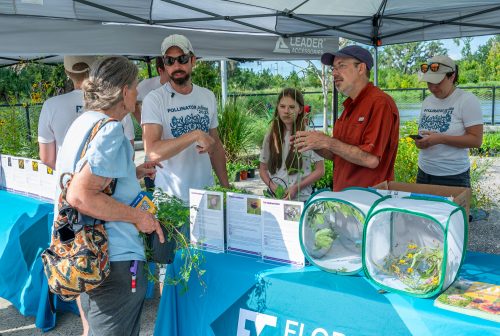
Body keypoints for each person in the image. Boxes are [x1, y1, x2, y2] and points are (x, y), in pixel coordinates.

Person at [55, 56, 164, 336]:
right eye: (136, 87)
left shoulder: (83, 123)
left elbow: (85, 180)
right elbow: (81, 195)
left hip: (88, 255)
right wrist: (139, 217)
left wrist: (132, 172)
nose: (138, 95)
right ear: (124, 91)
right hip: (114, 258)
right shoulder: (112, 129)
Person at [292, 45, 399, 191]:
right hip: (345, 199)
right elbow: (339, 155)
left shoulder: (380, 103)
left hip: (368, 202)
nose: (334, 73)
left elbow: (371, 159)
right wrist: (314, 144)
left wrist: (327, 142)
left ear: (361, 68)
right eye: (333, 69)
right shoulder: (349, 106)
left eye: (341, 66)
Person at [142, 34, 230, 204]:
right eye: (170, 61)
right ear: (164, 64)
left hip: (207, 195)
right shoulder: (154, 99)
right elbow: (152, 151)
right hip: (171, 200)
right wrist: (194, 135)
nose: (176, 66)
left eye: (182, 59)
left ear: (193, 60)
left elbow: (216, 145)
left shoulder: (207, 96)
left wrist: (225, 187)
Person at [38, 55, 136, 169]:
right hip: (108, 180)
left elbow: (47, 158)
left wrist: (71, 174)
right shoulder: (117, 105)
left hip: (67, 181)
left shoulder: (51, 105)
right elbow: (129, 155)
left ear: (67, 72)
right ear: (97, 70)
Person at [414, 55, 483, 187]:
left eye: (438, 83)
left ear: (452, 76)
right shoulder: (427, 101)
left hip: (453, 176)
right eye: (429, 83)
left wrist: (441, 139)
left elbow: (476, 140)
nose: (433, 88)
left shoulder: (466, 100)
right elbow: (424, 132)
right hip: (424, 172)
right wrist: (421, 143)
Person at [259, 88, 324, 201]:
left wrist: (296, 188)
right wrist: (274, 189)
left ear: (300, 110)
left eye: (292, 107)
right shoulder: (271, 135)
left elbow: (320, 170)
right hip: (275, 198)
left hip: (300, 198)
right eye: (282, 106)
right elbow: (262, 169)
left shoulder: (308, 135)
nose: (286, 111)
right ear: (277, 108)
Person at [133, 56, 170, 124]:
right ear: (160, 71)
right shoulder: (145, 85)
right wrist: (143, 124)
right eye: (170, 72)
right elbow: (133, 102)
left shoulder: (183, 86)